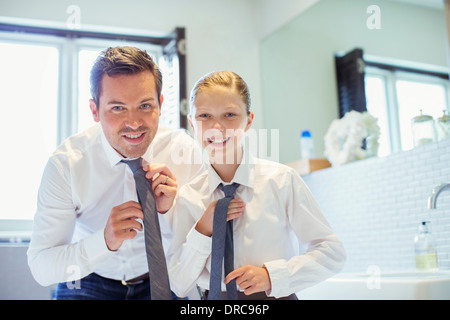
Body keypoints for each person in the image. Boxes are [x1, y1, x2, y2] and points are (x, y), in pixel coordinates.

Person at [27, 46, 204, 300]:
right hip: (88, 278)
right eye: (118, 108)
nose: (134, 122)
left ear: (161, 104)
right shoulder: (66, 165)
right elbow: (41, 266)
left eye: (145, 105)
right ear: (94, 110)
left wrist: (168, 213)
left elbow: (200, 245)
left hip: (162, 277)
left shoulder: (184, 152)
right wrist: (105, 240)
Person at [168, 71, 346, 300]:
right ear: (192, 123)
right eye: (204, 115)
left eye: (230, 114)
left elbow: (333, 253)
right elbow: (179, 285)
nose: (217, 127)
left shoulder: (282, 181)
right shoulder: (188, 197)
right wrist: (202, 230)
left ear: (249, 120)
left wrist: (273, 277)